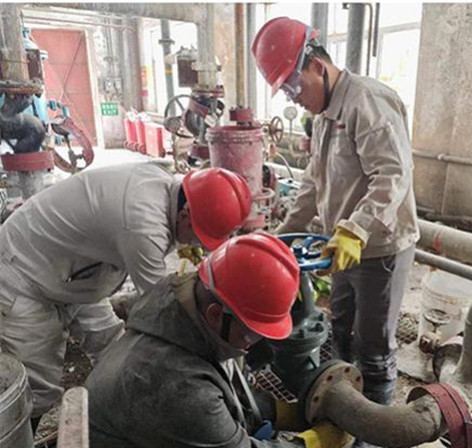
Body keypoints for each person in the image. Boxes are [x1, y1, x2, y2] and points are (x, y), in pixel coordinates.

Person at [0, 162, 252, 426]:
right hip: (23, 274)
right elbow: (163, 308)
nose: (193, 243)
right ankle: (22, 436)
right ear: (186, 212)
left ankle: (117, 416)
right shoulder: (143, 225)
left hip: (72, 270)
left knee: (112, 346)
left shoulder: (165, 187)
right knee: (37, 390)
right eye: (196, 235)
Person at [253, 17, 419, 407]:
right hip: (341, 246)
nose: (293, 98)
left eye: (293, 85)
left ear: (316, 65)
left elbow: (392, 174)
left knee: (374, 347)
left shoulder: (366, 101)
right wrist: (279, 238)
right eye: (285, 91)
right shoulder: (325, 116)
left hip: (378, 248)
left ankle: (374, 424)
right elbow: (313, 185)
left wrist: (356, 229)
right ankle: (344, 401)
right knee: (340, 328)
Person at [86, 232, 352, 448]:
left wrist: (287, 413)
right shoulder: (181, 387)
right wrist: (314, 443)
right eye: (251, 333)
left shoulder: (183, 304)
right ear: (216, 314)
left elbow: (228, 386)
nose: (251, 344)